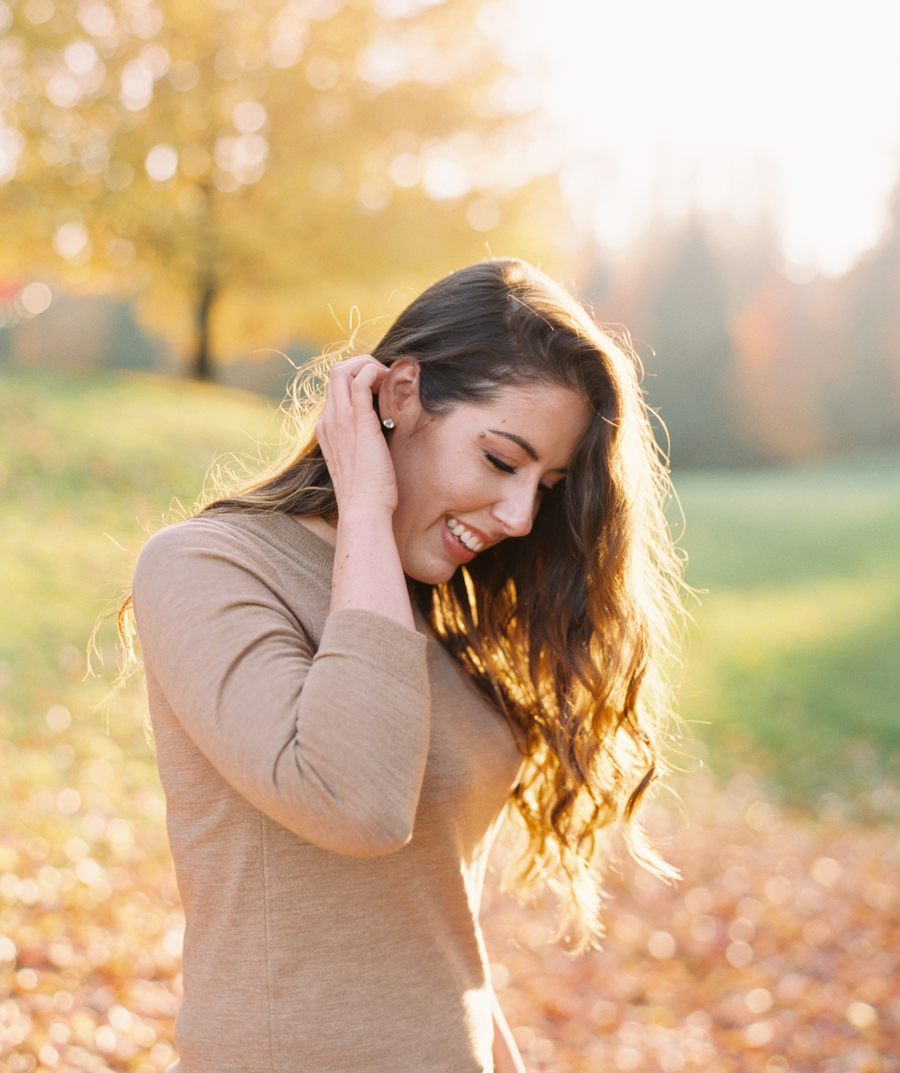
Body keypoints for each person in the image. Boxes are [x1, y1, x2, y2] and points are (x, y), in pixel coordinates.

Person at [126, 258, 683, 1073]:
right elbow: (357, 803)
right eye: (501, 460)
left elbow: (431, 928)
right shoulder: (208, 565)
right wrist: (365, 503)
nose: (522, 516)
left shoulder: (437, 609)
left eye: (548, 483)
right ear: (397, 396)